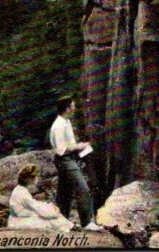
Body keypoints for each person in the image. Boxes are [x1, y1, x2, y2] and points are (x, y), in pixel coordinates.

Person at [49, 95, 103, 232]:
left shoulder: (66, 122)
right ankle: (87, 222)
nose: (75, 108)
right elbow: (61, 149)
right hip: (64, 160)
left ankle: (62, 222)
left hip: (69, 159)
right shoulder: (59, 126)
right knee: (83, 188)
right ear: (67, 109)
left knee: (64, 193)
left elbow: (69, 144)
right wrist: (80, 146)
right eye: (73, 106)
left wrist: (80, 147)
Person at [7, 165, 74, 232]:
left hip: (17, 219)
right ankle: (68, 235)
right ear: (30, 179)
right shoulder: (23, 193)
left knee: (55, 218)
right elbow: (40, 210)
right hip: (19, 222)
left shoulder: (19, 189)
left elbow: (34, 205)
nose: (37, 178)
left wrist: (50, 207)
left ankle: (70, 229)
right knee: (56, 220)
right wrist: (55, 212)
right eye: (36, 177)